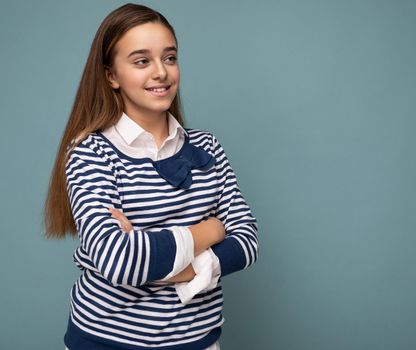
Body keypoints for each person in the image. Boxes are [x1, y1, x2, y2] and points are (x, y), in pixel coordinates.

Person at [43, 3, 259, 349]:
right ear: (111, 75)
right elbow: (119, 261)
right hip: (106, 341)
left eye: (169, 58)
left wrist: (171, 268)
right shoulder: (90, 152)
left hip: (199, 340)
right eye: (142, 61)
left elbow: (247, 240)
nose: (161, 72)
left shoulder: (207, 145)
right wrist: (211, 230)